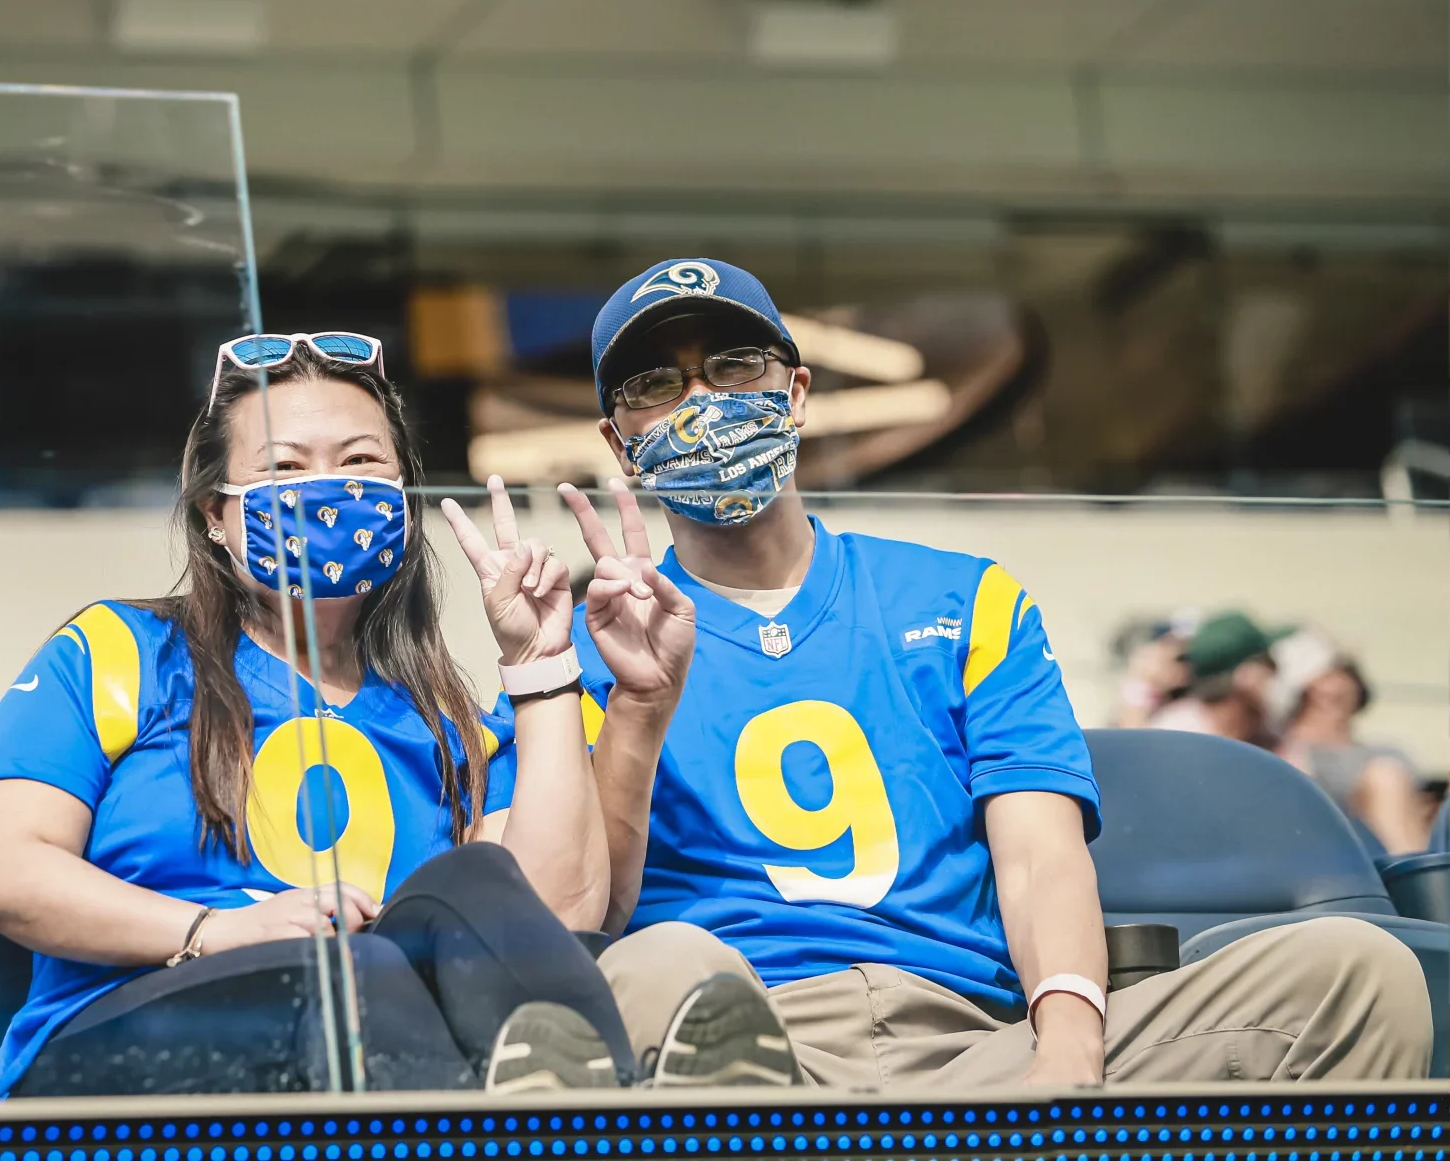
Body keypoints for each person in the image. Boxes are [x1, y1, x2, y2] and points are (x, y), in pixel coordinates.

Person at [564, 257, 1431, 1089]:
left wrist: (1066, 1054)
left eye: (735, 365)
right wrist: (636, 709)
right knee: (655, 962)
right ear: (618, 440)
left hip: (978, 1051)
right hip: (739, 1052)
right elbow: (581, 916)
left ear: (795, 393)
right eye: (655, 385)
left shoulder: (965, 600)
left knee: (1359, 973)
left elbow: (1038, 860)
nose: (705, 400)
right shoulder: (586, 647)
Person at [0, 330, 724, 1098]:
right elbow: (4, 872)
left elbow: (553, 921)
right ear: (213, 518)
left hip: (381, 1040)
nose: (323, 488)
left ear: (403, 496)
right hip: (122, 1043)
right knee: (355, 977)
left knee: (474, 887)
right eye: (284, 467)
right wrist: (210, 932)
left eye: (359, 462)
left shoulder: (441, 719)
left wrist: (542, 664)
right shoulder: (119, 652)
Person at [1275, 629, 1433, 855]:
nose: (1334, 687)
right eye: (1323, 677)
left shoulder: (1388, 753)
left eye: (1344, 675)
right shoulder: (1285, 754)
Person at [1144, 610, 1281, 745]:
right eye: (1266, 666)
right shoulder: (1179, 733)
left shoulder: (1262, 729)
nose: (1271, 679)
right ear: (1244, 676)